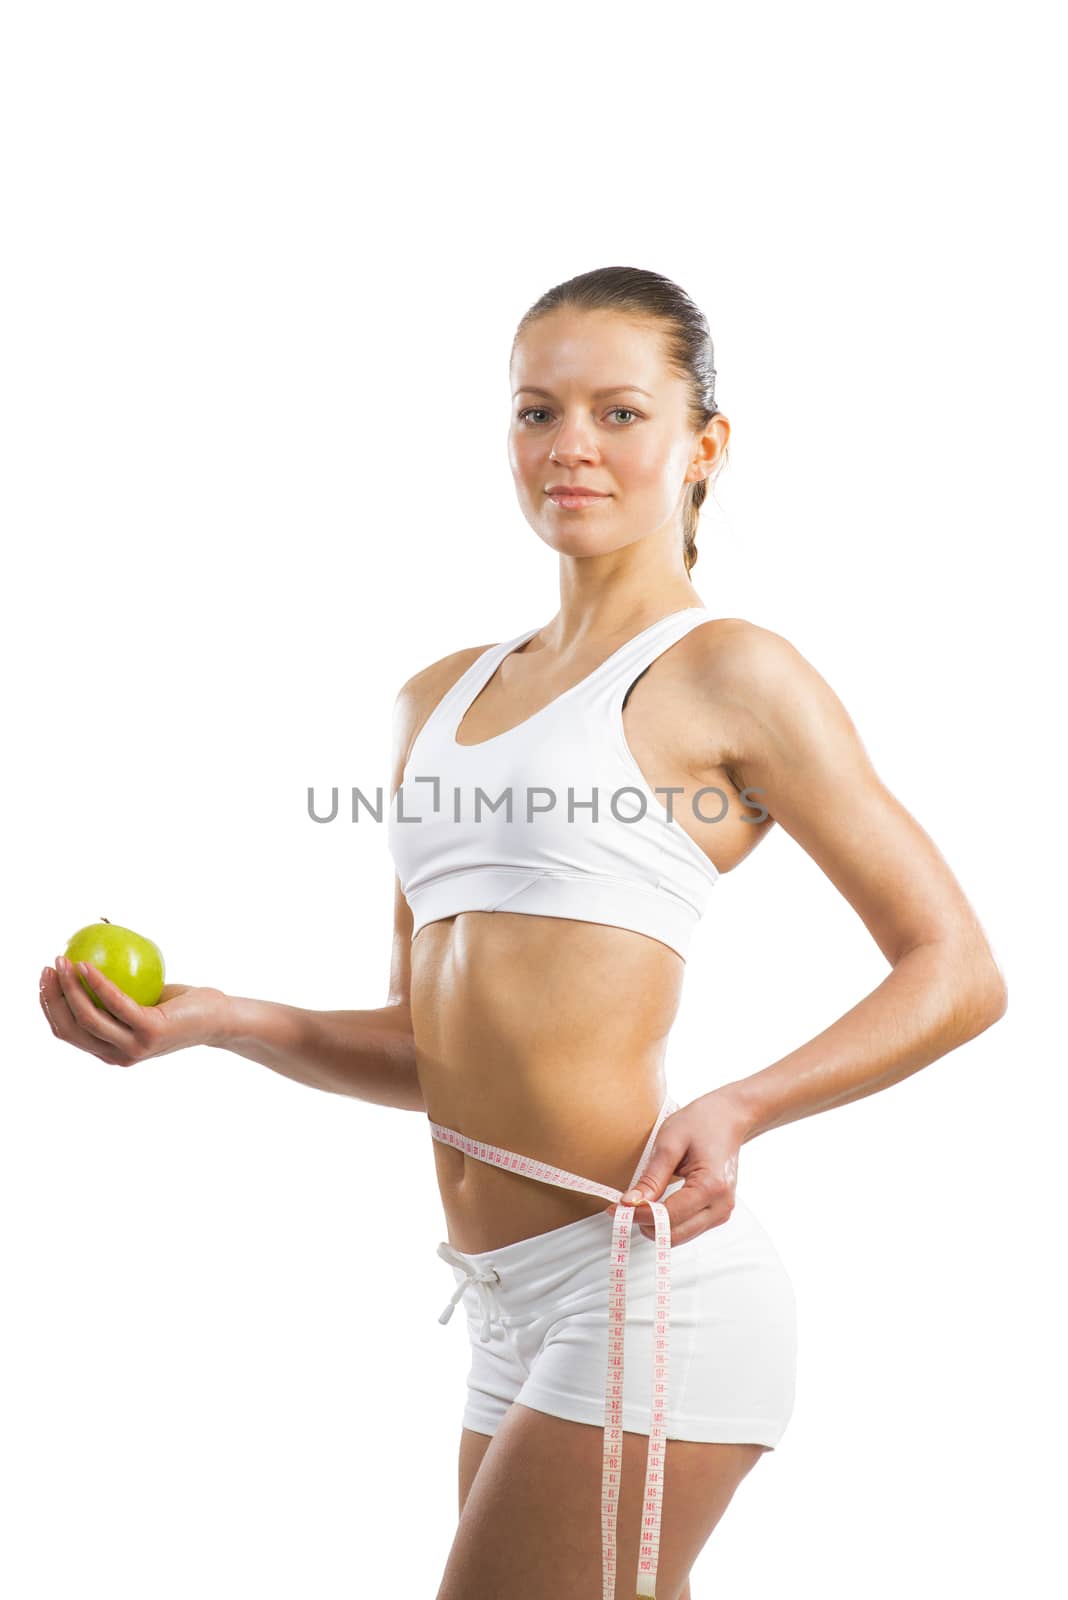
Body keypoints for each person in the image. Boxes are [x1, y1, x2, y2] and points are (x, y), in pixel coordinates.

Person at [39, 265, 1008, 1600]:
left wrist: (743, 1106)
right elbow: (430, 1050)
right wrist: (218, 1020)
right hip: (508, 1306)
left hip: (651, 1286)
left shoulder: (735, 674)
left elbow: (957, 969)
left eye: (619, 412)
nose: (571, 449)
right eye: (537, 412)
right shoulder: (433, 701)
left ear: (704, 444)